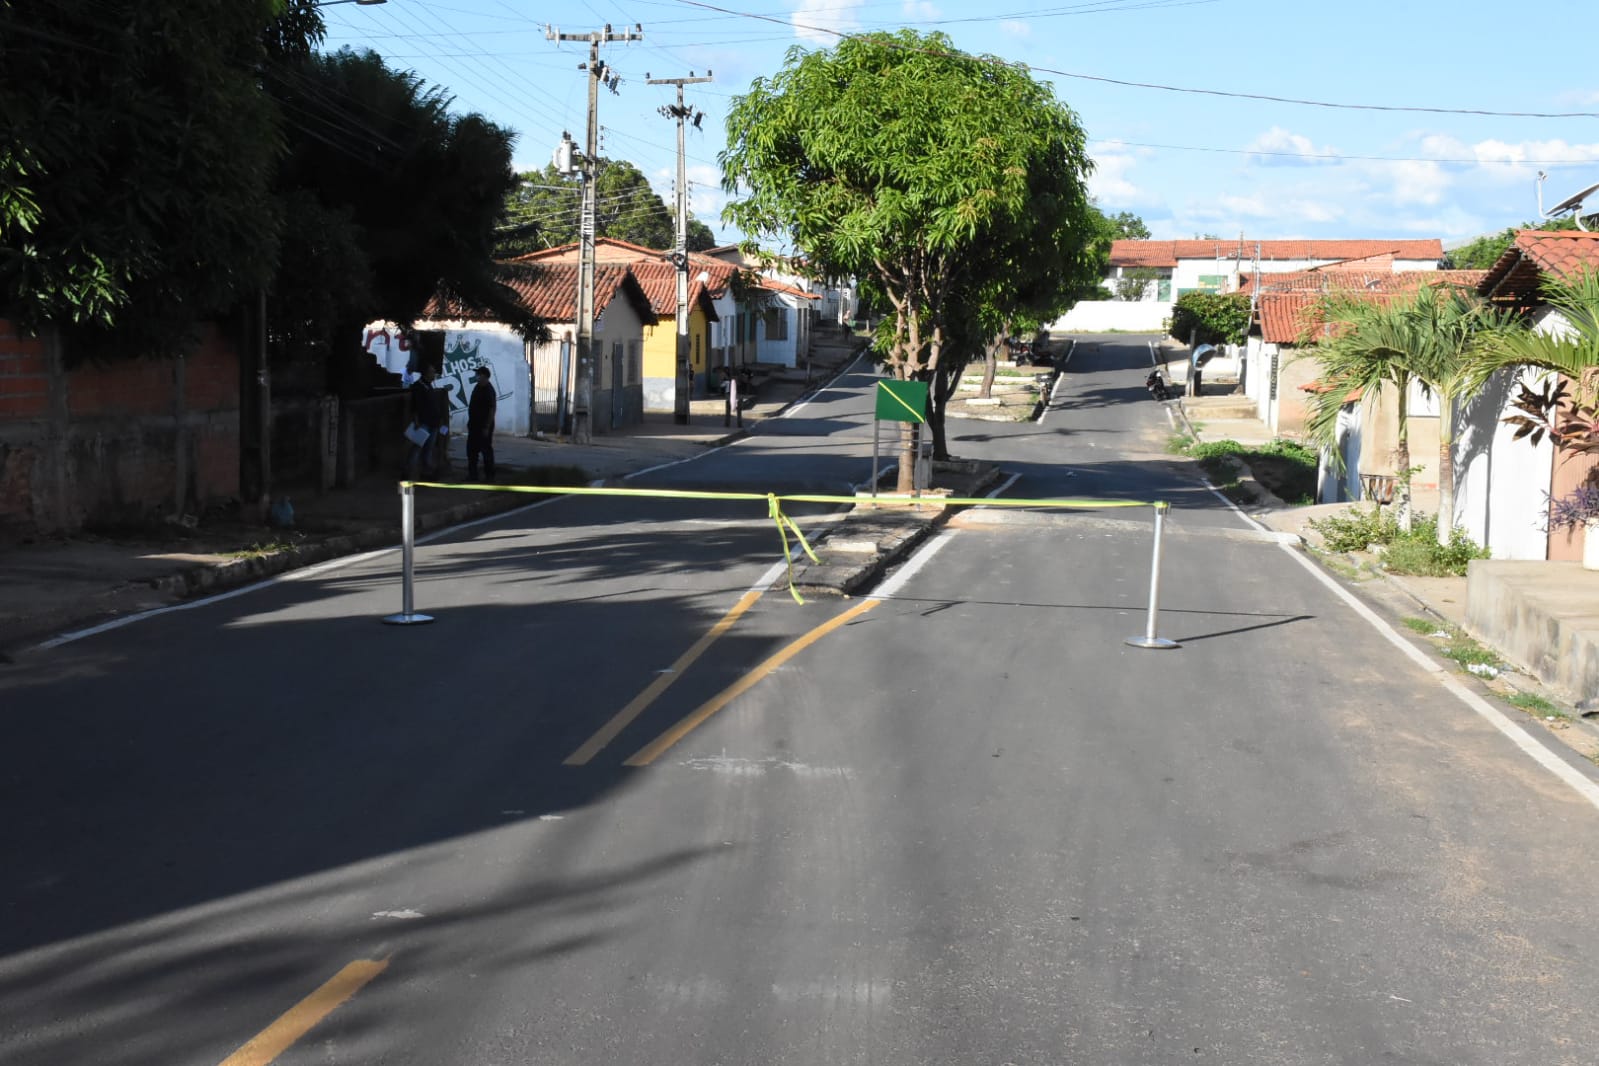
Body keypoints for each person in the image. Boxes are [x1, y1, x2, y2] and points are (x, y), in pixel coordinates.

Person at [405, 365, 445, 477]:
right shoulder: (418, 386)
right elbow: (415, 406)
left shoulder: (428, 386)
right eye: (432, 372)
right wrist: (417, 421)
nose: (434, 374)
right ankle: (409, 473)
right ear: (426, 373)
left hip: (433, 424)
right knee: (417, 448)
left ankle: (426, 472)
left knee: (428, 449)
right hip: (423, 424)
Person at [466, 364, 497, 482]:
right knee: (471, 451)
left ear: (484, 376)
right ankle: (473, 475)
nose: (476, 376)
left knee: (486, 450)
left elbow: (491, 409)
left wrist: (486, 427)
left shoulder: (489, 390)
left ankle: (490, 476)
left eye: (478, 374)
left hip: (483, 426)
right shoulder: (477, 387)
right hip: (474, 425)